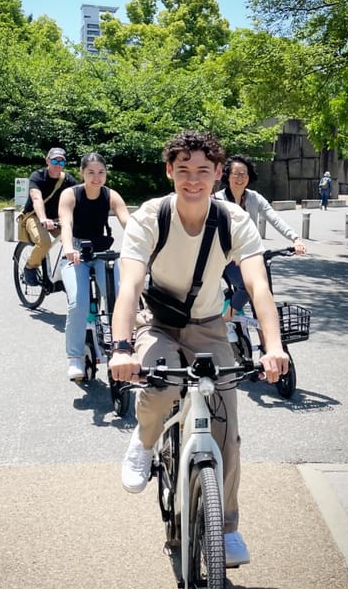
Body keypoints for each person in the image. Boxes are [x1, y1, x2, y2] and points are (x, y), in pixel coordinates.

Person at [108, 130, 289, 568]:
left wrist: (274, 346)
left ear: (218, 174)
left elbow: (258, 285)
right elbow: (130, 284)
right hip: (159, 322)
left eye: (203, 171)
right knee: (161, 385)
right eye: (183, 170)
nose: (193, 180)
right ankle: (146, 440)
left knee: (226, 425)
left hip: (210, 325)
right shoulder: (152, 216)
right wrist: (120, 347)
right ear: (169, 171)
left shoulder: (233, 220)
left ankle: (225, 527)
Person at [59, 152, 130, 381]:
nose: (96, 177)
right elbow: (66, 224)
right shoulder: (70, 194)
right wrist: (69, 247)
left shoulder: (111, 195)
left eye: (101, 172)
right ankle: (75, 357)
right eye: (91, 172)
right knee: (78, 303)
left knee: (119, 297)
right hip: (76, 253)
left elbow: (128, 223)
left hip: (102, 253)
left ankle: (123, 347)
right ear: (82, 173)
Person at [214, 154, 306, 315]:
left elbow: (274, 218)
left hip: (250, 255)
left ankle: (264, 337)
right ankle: (226, 319)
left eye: (244, 174)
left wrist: (295, 238)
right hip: (226, 258)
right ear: (227, 175)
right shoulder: (217, 200)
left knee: (263, 299)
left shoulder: (254, 198)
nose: (240, 178)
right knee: (248, 287)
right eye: (236, 173)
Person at [21, 147, 77, 286]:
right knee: (44, 242)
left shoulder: (68, 179)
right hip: (35, 216)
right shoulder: (37, 176)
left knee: (75, 240)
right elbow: (36, 199)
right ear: (47, 160)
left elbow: (79, 198)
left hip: (57, 218)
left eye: (62, 162)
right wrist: (43, 219)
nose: (58, 165)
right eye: (54, 161)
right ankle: (30, 267)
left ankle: (65, 272)